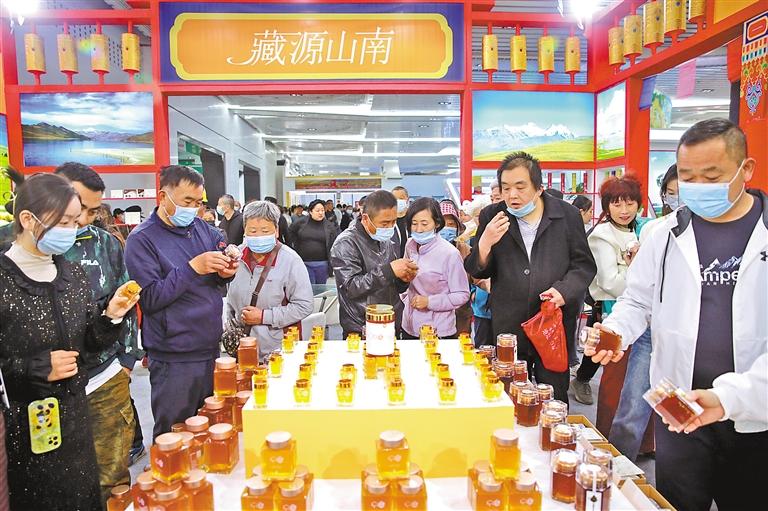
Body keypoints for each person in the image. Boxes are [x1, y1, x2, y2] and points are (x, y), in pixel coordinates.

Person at [587, 119, 767, 511]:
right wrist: (616, 331)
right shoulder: (665, 234)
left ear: (746, 169)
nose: (698, 186)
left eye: (712, 176)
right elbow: (637, 300)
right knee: (677, 502)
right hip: (678, 408)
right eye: (687, 177)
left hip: (756, 413)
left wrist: (728, 397)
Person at [0, 163, 142, 500]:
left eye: (78, 219)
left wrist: (111, 318)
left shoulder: (72, 274)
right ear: (28, 219)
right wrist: (32, 369)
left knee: (98, 484)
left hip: (81, 405)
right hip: (29, 420)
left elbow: (86, 339)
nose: (75, 229)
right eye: (65, 222)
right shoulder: (5, 277)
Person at [465, 151, 596, 404]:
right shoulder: (492, 215)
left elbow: (584, 265)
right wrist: (484, 243)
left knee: (553, 395)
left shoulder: (566, 215)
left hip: (553, 323)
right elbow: (478, 270)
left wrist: (564, 290)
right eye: (505, 188)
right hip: (509, 324)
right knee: (509, 395)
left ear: (539, 188)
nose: (512, 195)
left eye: (520, 187)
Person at [125, 165, 238, 438]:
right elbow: (150, 298)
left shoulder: (204, 230)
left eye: (198, 202)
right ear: (163, 196)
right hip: (173, 355)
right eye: (187, 201)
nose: (193, 209)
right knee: (175, 434)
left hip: (209, 346)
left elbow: (216, 278)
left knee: (210, 430)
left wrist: (225, 272)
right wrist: (192, 268)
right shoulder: (142, 240)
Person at [226, 201, 313, 356]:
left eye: (265, 231)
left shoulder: (290, 260)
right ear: (245, 231)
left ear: (276, 231)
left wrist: (263, 316)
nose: (259, 236)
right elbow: (230, 303)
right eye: (253, 231)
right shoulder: (236, 258)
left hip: (279, 350)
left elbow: (304, 305)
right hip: (243, 348)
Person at [330, 190, 417, 338]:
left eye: (393, 222)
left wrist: (403, 279)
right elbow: (350, 287)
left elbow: (391, 283)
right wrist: (389, 271)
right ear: (365, 218)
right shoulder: (346, 243)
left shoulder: (384, 240)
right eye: (384, 223)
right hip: (362, 325)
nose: (390, 228)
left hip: (389, 319)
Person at [401, 198, 469, 339]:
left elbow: (462, 295)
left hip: (437, 330)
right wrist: (405, 298)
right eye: (414, 223)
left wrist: (429, 302)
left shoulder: (450, 254)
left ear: (437, 223)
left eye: (424, 224)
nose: (419, 229)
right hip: (409, 326)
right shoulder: (410, 245)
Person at [439, 199, 473, 335]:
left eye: (451, 224)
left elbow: (479, 276)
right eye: (443, 224)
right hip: (435, 315)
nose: (447, 228)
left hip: (460, 315)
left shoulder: (465, 250)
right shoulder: (425, 250)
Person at [289, 199, 338, 285]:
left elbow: (334, 243)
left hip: (322, 264)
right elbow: (290, 233)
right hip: (304, 263)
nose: (320, 213)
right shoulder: (301, 223)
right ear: (310, 211)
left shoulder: (329, 226)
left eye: (322, 210)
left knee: (320, 288)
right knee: (308, 287)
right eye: (317, 210)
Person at [392, 186, 410, 257]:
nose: (398, 201)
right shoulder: (388, 221)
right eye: (395, 199)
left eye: (401, 198)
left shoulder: (412, 219)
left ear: (407, 199)